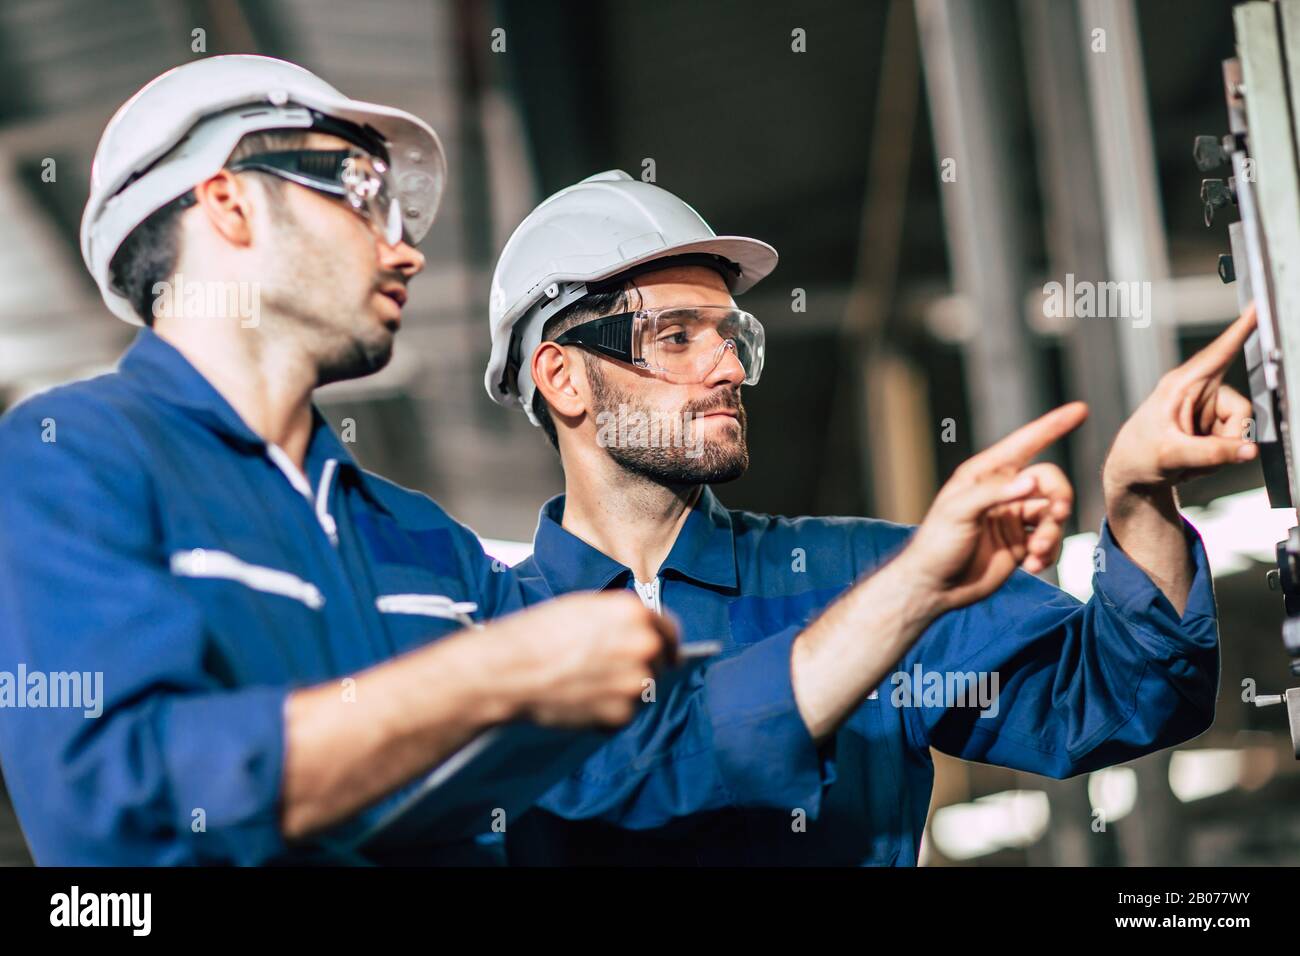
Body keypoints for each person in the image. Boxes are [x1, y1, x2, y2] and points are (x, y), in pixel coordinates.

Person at [0, 58, 692, 866]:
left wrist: (874, 606)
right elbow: (121, 798)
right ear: (229, 203)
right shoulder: (67, 460)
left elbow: (639, 763)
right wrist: (481, 680)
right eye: (364, 194)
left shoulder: (425, 539)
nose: (407, 254)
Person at [482, 171, 1248, 865]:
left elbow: (1126, 692)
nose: (727, 368)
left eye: (730, 337)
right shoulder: (483, 641)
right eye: (677, 337)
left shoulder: (868, 575)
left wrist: (1139, 498)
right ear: (562, 377)